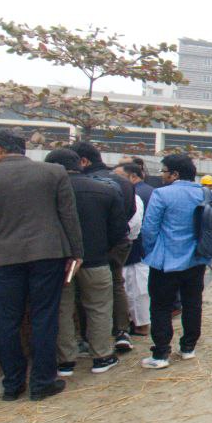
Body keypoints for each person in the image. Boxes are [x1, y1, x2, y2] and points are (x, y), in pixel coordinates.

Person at [0, 129, 83, 401]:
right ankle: (42, 382)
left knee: (8, 321)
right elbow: (69, 215)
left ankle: (12, 385)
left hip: (8, 258)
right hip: (49, 255)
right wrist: (76, 252)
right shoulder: (54, 173)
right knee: (45, 317)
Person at [45, 149, 128, 375]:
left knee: (63, 309)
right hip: (97, 260)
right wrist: (107, 253)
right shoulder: (105, 191)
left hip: (59, 262)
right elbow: (120, 231)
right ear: (80, 164)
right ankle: (101, 357)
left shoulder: (46, 194)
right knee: (100, 308)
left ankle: (65, 361)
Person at [140, 154, 212, 369]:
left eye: (163, 171)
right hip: (196, 260)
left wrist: (151, 250)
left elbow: (149, 228)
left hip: (165, 261)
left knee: (161, 306)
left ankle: (161, 353)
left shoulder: (161, 194)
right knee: (192, 303)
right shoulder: (208, 194)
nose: (162, 175)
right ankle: (188, 347)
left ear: (174, 174)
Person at [71, 142, 136, 352]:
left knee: (85, 292)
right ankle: (121, 332)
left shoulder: (80, 183)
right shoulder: (123, 182)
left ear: (83, 161)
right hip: (117, 244)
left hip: (89, 247)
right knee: (116, 284)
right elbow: (130, 212)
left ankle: (89, 337)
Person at [115, 160, 154, 337]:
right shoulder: (150, 191)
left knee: (134, 289)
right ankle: (140, 323)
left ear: (133, 176)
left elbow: (134, 225)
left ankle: (139, 325)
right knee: (139, 289)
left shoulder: (135, 194)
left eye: (119, 176)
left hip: (134, 249)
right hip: (144, 249)